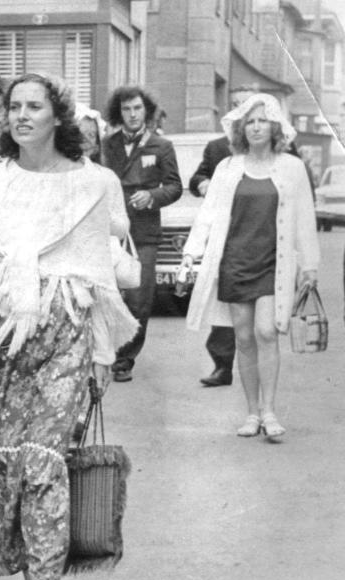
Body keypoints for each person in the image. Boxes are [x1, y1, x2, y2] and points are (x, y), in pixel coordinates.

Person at [0, 73, 138, 580]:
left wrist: (102, 355)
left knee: (45, 462)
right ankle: (24, 578)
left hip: (64, 334)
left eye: (35, 106)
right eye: (14, 107)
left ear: (59, 116)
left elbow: (100, 275)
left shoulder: (94, 183)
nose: (21, 116)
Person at [180, 93, 319, 440]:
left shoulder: (292, 167)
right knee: (243, 338)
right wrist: (190, 254)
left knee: (267, 332)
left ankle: (270, 411)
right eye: (250, 121)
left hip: (275, 263)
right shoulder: (228, 168)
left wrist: (310, 264)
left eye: (263, 120)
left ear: (275, 126)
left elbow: (304, 217)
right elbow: (208, 214)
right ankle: (252, 413)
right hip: (235, 263)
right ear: (242, 127)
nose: (256, 127)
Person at [188, 86, 271, 388]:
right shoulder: (217, 149)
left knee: (261, 325)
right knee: (225, 312)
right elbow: (197, 177)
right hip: (229, 241)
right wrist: (203, 184)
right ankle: (223, 366)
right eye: (235, 105)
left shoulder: (277, 147)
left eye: (246, 105)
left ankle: (262, 380)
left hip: (263, 243)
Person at [101, 85, 182, 382]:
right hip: (108, 230)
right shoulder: (106, 144)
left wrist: (152, 196)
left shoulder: (161, 145)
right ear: (118, 112)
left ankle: (124, 360)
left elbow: (175, 186)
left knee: (138, 298)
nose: (132, 114)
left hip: (144, 233)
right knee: (106, 292)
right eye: (126, 109)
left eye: (137, 108)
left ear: (146, 111)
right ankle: (104, 352)